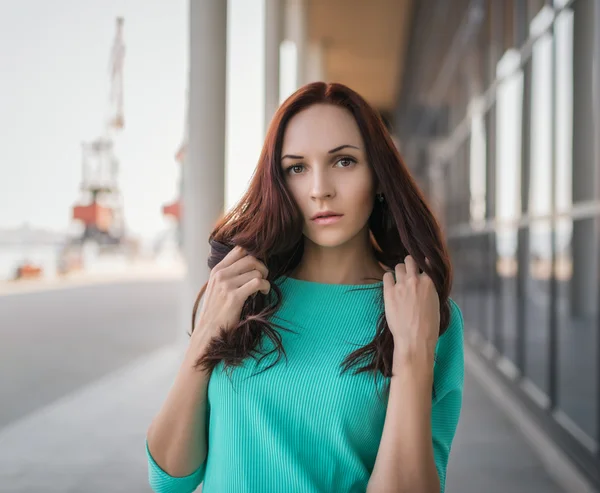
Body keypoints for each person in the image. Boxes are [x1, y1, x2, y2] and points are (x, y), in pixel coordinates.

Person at [145, 82, 464, 493]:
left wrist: (412, 361)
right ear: (279, 182)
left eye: (344, 162)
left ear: (380, 176)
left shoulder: (423, 312)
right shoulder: (243, 294)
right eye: (297, 168)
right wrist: (206, 333)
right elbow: (169, 479)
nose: (320, 189)